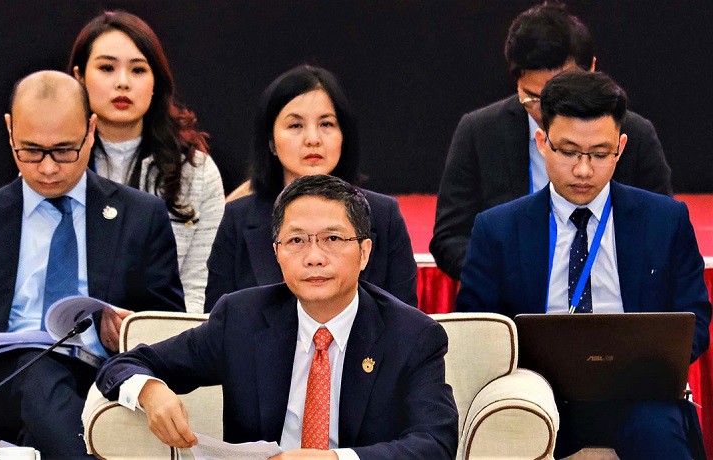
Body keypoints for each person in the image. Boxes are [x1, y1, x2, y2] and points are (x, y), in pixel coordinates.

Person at [0, 71, 185, 457]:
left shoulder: (140, 217)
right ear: (10, 131)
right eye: (30, 151)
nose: (47, 168)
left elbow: (168, 326)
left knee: (42, 403)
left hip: (102, 382)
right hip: (0, 384)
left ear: (90, 131)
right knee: (37, 369)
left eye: (63, 151)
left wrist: (126, 332)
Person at [97, 174, 459, 459]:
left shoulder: (411, 335)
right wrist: (149, 390)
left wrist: (336, 459)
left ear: (364, 252)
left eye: (333, 239)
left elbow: (436, 442)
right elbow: (122, 366)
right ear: (277, 253)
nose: (314, 257)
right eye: (296, 241)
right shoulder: (241, 319)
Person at [456, 70, 711, 459]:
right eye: (569, 151)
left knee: (658, 429)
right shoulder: (498, 230)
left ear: (620, 148)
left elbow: (696, 317)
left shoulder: (665, 221)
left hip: (639, 396)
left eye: (599, 154)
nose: (583, 171)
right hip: (538, 396)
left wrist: (652, 363)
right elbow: (479, 328)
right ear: (542, 143)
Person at [430, 2, 673, 280]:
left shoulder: (635, 134)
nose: (550, 111)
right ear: (516, 80)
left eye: (564, 94)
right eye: (534, 98)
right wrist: (501, 278)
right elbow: (450, 237)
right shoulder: (479, 131)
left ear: (592, 69)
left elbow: (663, 231)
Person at [205, 65, 418, 312]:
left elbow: (405, 322)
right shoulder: (238, 218)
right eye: (296, 126)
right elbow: (217, 320)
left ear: (343, 135)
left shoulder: (384, 216)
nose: (313, 139)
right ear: (271, 142)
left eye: (326, 124)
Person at [69, 11, 225, 313]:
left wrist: (158, 337)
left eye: (138, 70)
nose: (123, 83)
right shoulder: (55, 162)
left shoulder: (196, 171)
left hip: (164, 336)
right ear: (79, 77)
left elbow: (199, 287)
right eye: (106, 68)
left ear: (156, 82)